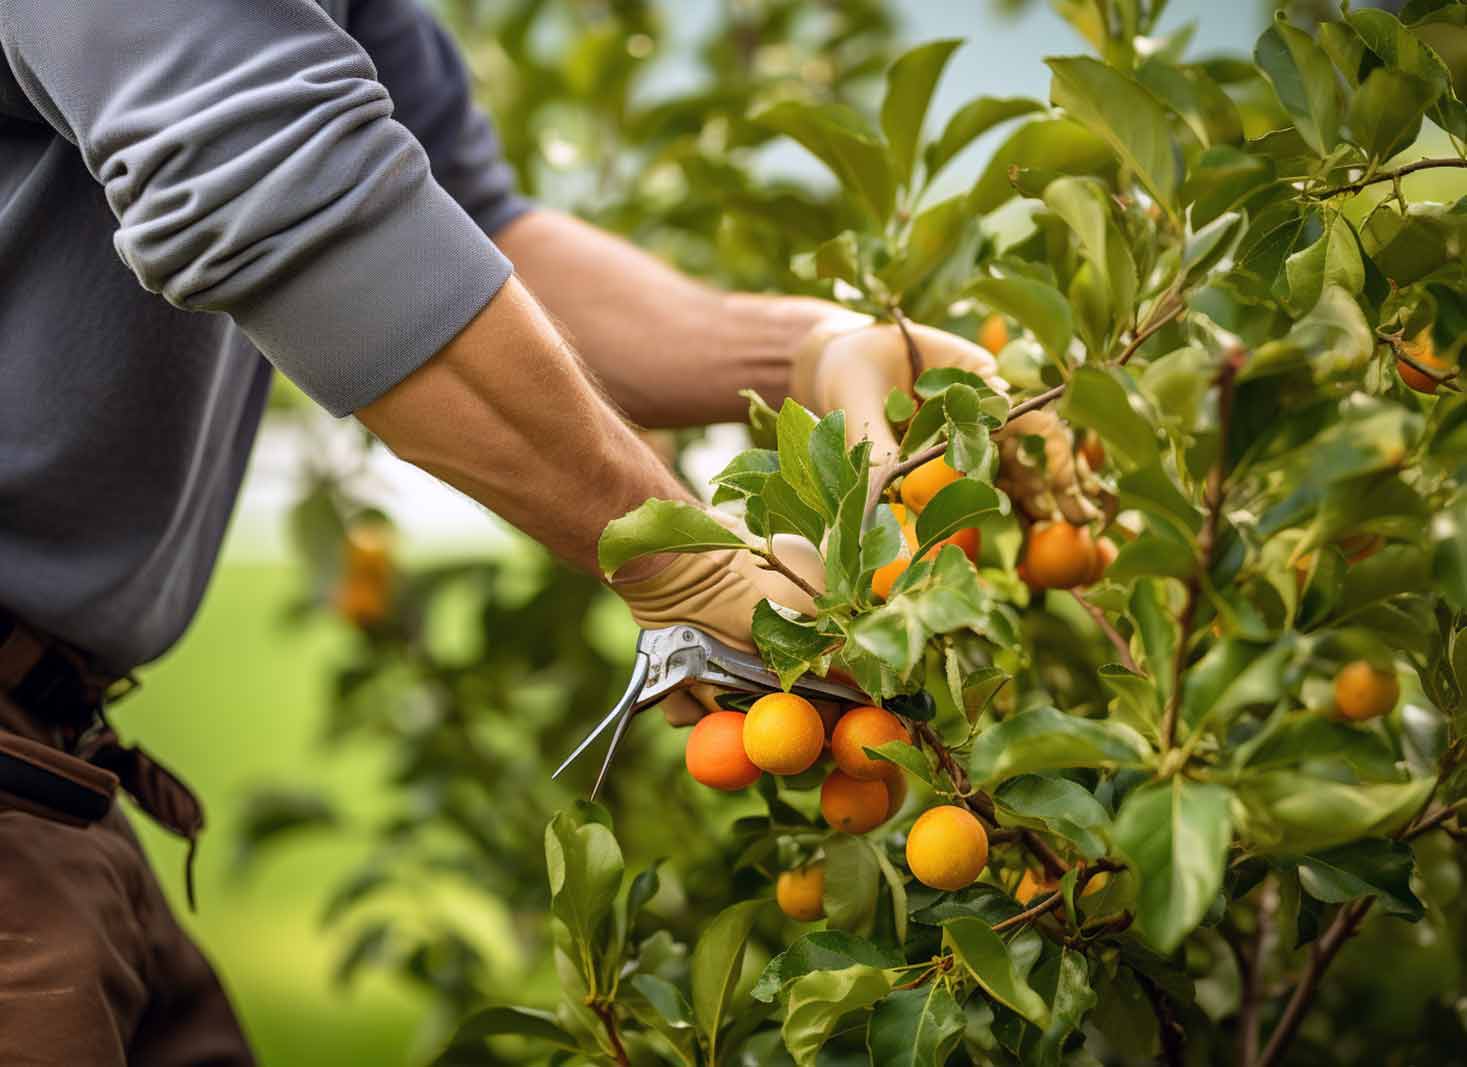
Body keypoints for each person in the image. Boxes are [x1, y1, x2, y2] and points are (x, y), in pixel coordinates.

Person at [0, 1, 1092, 1062]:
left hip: (56, 772)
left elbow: (467, 243)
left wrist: (819, 348)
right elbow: (280, 178)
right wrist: (670, 556)